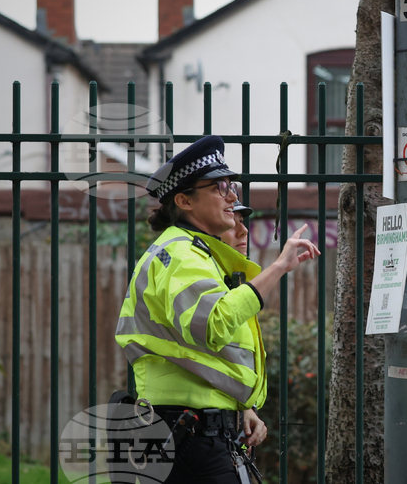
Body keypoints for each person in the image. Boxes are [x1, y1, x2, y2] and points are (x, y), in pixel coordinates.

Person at [116, 135, 319, 484]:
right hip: (187, 434)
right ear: (184, 200)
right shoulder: (180, 254)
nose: (232, 195)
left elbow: (204, 356)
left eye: (232, 185)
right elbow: (213, 325)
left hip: (194, 429)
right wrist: (279, 267)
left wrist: (242, 407)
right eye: (219, 186)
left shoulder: (193, 253)